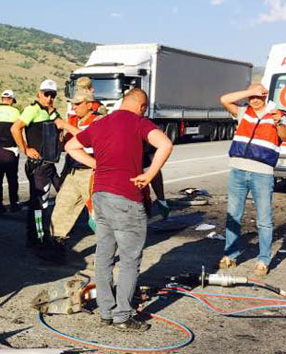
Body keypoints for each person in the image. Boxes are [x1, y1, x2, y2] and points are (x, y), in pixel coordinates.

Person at [65, 89, 173, 331]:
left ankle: (105, 312)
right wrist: (149, 174)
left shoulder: (101, 123)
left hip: (101, 196)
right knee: (129, 259)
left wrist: (97, 164)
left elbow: (71, 146)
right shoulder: (138, 122)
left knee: (104, 256)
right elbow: (165, 144)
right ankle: (122, 316)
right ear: (141, 105)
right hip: (126, 198)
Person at [218, 83, 286, 276]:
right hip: (238, 171)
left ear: (265, 95)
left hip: (262, 174)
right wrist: (251, 91)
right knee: (233, 215)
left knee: (264, 220)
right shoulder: (243, 112)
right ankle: (230, 255)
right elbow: (224, 99)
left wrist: (279, 123)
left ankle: (263, 259)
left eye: (259, 96)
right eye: (252, 97)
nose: (254, 100)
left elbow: (285, 136)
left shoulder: (278, 114)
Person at [11, 79, 78, 249]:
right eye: (46, 94)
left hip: (50, 164)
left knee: (64, 195)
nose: (49, 98)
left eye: (52, 95)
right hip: (39, 166)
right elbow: (15, 128)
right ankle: (37, 238)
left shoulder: (51, 112)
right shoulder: (32, 110)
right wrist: (25, 149)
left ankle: (51, 232)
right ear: (39, 93)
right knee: (40, 203)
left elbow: (61, 128)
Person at [49, 89, 101, 263]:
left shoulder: (98, 120)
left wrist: (67, 127)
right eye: (73, 103)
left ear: (89, 104)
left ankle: (107, 250)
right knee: (62, 207)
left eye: (78, 103)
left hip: (90, 171)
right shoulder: (73, 120)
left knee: (97, 213)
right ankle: (57, 247)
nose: (74, 107)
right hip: (73, 171)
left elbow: (92, 140)